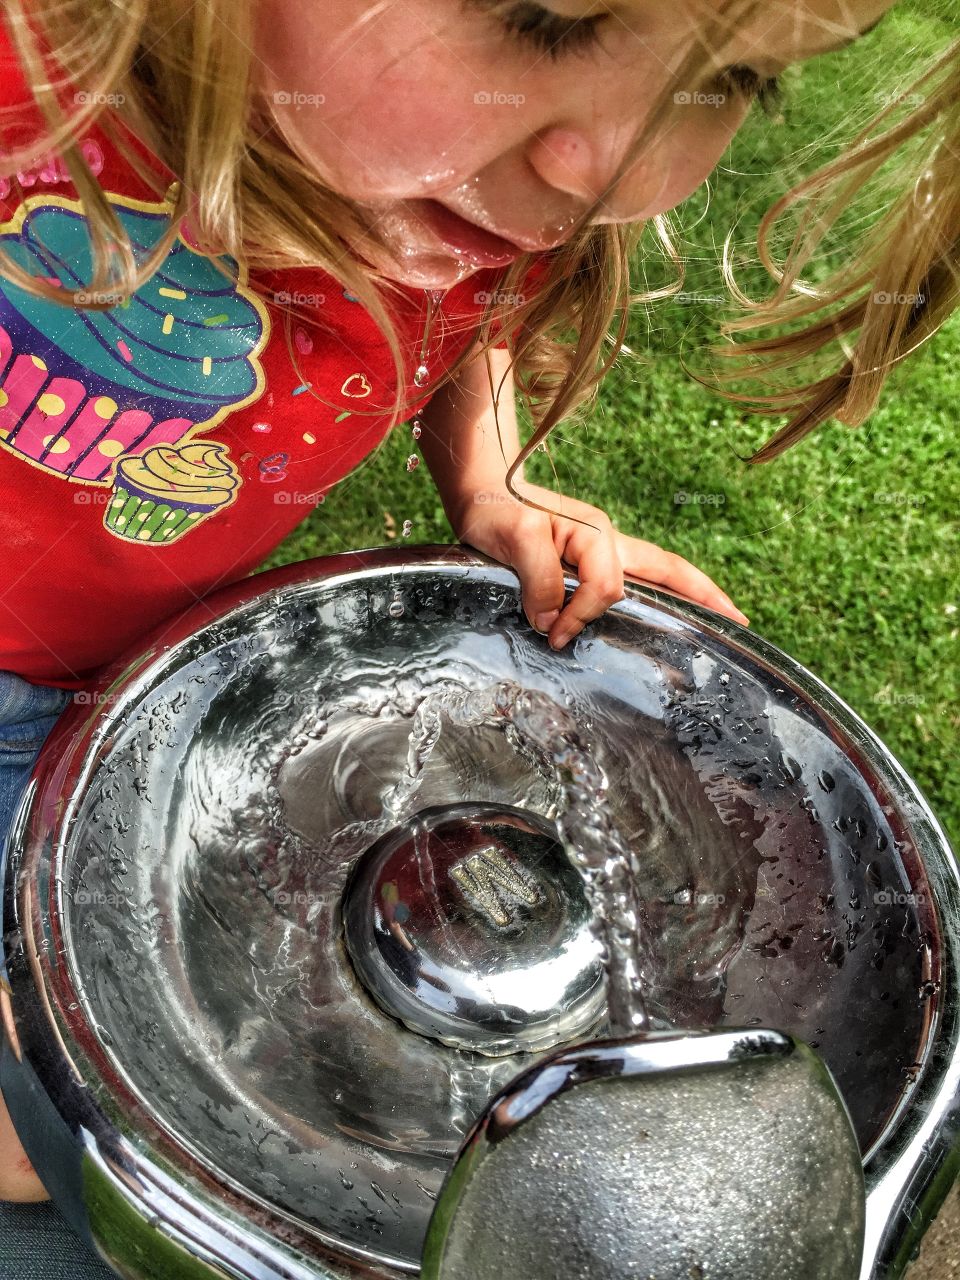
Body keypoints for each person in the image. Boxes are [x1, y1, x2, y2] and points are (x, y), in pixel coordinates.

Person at [0, 0, 956, 1269]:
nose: (615, 163)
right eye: (544, 17)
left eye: (730, 81)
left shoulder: (462, 190)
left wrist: (491, 479)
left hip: (155, 670)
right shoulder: (35, 101)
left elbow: (470, 314)